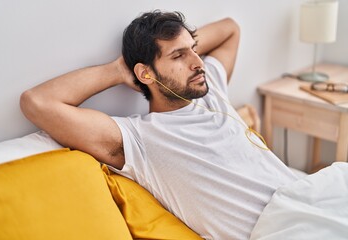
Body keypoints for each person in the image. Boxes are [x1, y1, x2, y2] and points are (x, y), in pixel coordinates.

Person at [20, 10, 298, 240]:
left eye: (194, 49)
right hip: (281, 230)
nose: (198, 62)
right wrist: (117, 70)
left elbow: (230, 28)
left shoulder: (209, 88)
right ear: (145, 73)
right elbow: (37, 102)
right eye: (178, 56)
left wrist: (183, 48)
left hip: (306, 196)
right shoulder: (139, 138)